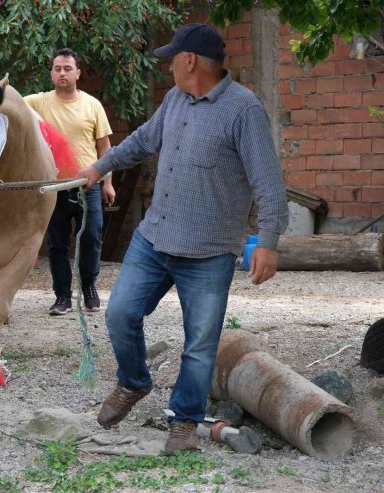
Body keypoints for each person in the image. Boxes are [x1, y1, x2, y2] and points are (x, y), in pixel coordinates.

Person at [76, 24, 289, 453]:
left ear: (189, 61)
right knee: (119, 312)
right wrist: (100, 167)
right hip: (155, 238)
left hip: (210, 252)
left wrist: (268, 241)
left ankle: (185, 422)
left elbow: (268, 181)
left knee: (200, 343)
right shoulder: (175, 99)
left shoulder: (243, 110)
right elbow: (141, 141)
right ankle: (134, 381)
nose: (169, 64)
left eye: (173, 57)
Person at [24, 48, 115, 316]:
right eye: (57, 68)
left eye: (67, 68)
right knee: (57, 244)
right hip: (54, 187)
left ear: (77, 73)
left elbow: (105, 148)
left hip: (88, 185)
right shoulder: (37, 103)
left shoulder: (92, 105)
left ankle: (88, 288)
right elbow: (9, 102)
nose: (62, 72)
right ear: (51, 73)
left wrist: (107, 182)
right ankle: (62, 296)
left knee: (91, 238)